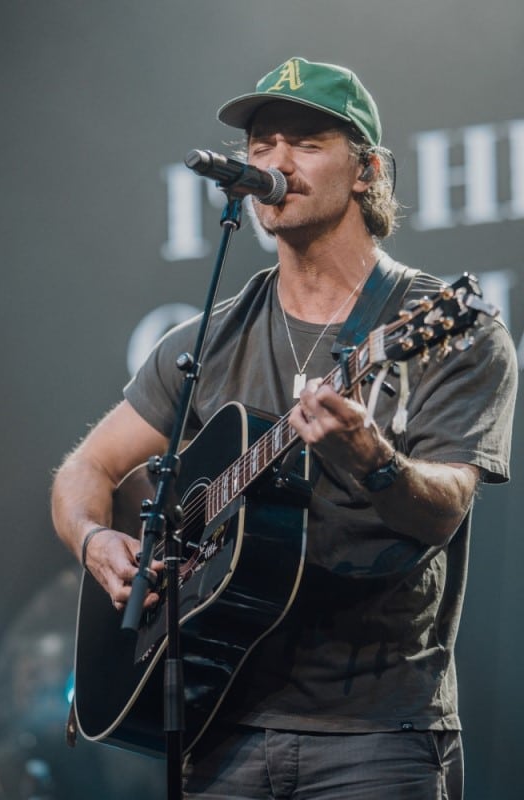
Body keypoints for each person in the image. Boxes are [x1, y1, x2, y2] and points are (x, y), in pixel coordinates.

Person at [51, 58, 517, 799]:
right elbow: (85, 470)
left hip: (375, 733)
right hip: (216, 721)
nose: (276, 163)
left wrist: (372, 458)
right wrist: (94, 540)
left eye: (305, 142)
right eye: (261, 145)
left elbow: (443, 512)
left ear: (366, 170)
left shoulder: (444, 328)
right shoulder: (209, 337)